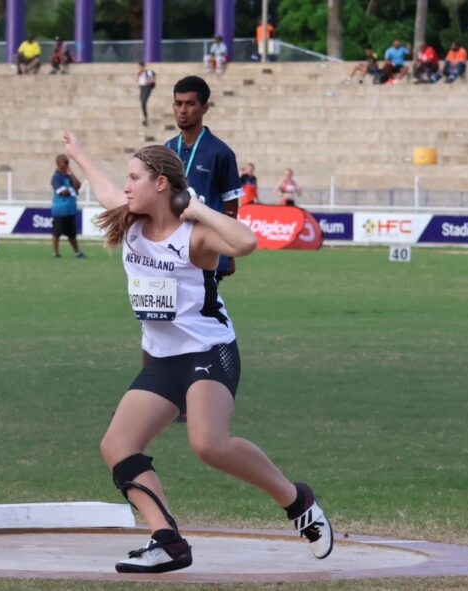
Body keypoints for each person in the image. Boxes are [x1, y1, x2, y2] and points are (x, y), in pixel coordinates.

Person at [62, 130, 334, 574]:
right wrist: (79, 153)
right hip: (163, 359)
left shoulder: (194, 237)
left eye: (135, 178)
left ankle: (297, 501)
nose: (126, 186)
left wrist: (197, 207)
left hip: (209, 349)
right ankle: (166, 540)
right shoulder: (130, 225)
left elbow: (246, 243)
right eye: (127, 178)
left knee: (208, 443)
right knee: (118, 446)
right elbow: (105, 188)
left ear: (162, 184)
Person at [164, 76, 243, 281]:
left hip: (206, 246)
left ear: (204, 108)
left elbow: (231, 207)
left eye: (190, 104)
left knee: (202, 309)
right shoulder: (167, 149)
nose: (182, 110)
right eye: (178, 103)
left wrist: (228, 251)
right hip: (170, 246)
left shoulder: (221, 153)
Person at [51, 153, 85, 258]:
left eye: (68, 162)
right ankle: (55, 253)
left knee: (72, 234)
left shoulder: (68, 176)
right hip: (60, 209)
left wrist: (72, 174)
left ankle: (77, 252)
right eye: (65, 162)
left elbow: (78, 186)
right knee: (56, 233)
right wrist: (72, 190)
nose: (67, 164)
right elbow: (63, 192)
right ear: (58, 163)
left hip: (70, 209)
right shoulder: (56, 177)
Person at [138, 62, 157, 127]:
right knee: (142, 102)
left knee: (143, 102)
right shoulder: (140, 73)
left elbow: (152, 80)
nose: (140, 68)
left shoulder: (148, 72)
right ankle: (145, 117)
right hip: (142, 88)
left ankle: (146, 118)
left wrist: (147, 81)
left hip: (147, 87)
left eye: (140, 67)